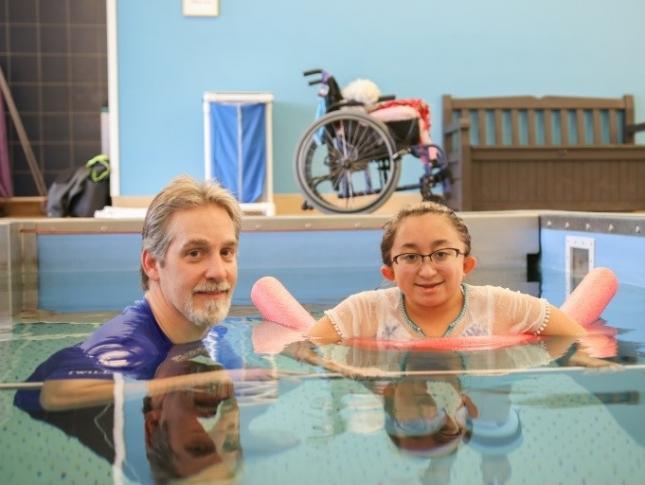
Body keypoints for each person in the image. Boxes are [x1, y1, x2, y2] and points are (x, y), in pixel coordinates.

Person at [19, 175, 243, 411]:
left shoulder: (208, 331)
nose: (218, 272)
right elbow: (56, 393)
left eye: (227, 252)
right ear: (152, 264)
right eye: (195, 253)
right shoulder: (131, 343)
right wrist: (185, 384)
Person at [307, 201, 587, 342]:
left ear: (466, 265)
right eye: (410, 256)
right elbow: (306, 349)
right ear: (389, 272)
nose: (427, 271)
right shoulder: (363, 312)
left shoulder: (498, 305)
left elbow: (575, 338)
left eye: (441, 254)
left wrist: (582, 359)